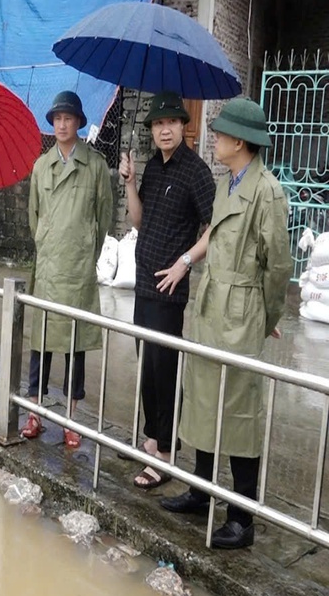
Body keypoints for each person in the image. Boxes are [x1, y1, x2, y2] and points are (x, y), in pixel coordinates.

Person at [160, 98, 292, 550]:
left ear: (240, 142)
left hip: (240, 316)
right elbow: (213, 234)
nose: (213, 139)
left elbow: (278, 269)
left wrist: (265, 316)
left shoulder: (268, 192)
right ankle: (201, 490)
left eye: (219, 134)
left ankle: (241, 517)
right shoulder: (227, 184)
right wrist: (184, 262)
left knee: (238, 412)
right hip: (211, 306)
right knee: (203, 400)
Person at [118, 92, 216, 489]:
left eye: (171, 122)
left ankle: (166, 454)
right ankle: (152, 438)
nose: (164, 129)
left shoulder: (197, 172)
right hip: (144, 284)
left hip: (169, 289)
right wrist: (130, 183)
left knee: (165, 369)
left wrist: (185, 263)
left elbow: (215, 230)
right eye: (158, 124)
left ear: (183, 126)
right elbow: (140, 220)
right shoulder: (154, 168)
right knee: (146, 366)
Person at [22, 91, 112, 447]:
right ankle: (34, 411)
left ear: (78, 122)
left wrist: (86, 248)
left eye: (68, 118)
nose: (62, 124)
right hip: (48, 265)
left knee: (74, 345)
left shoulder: (96, 166)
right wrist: (46, 241)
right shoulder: (41, 166)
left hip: (76, 267)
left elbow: (103, 218)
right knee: (40, 342)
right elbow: (34, 217)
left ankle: (71, 419)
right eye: (57, 118)